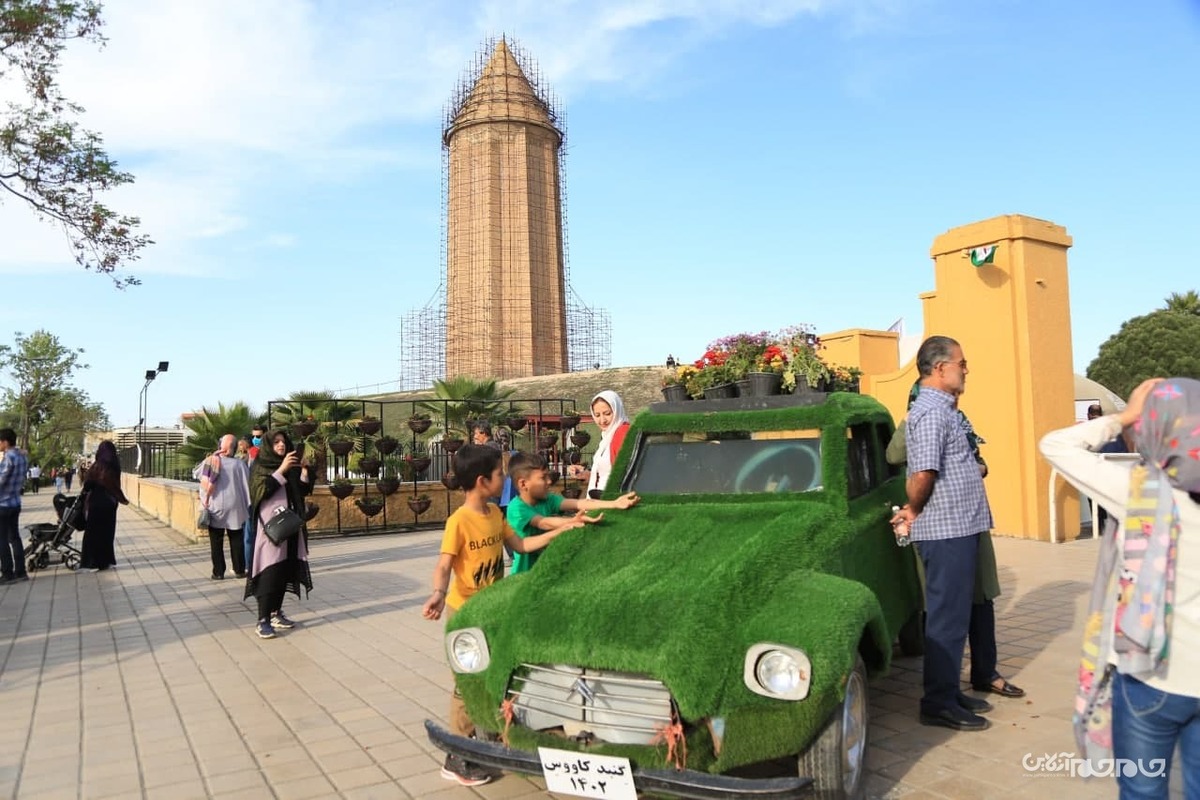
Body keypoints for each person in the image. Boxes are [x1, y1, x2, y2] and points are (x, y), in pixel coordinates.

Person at [1041, 378, 1200, 798]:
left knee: (1142, 790)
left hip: (1151, 675)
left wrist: (1123, 416)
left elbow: (1056, 446)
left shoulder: (1138, 491)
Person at [422, 444, 579, 786]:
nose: (503, 479)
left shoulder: (496, 515)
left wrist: (561, 531)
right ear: (482, 481)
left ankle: (490, 737)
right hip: (465, 613)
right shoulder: (459, 521)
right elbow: (444, 564)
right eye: (498, 474)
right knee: (466, 683)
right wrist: (437, 593)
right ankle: (457, 756)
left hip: (493, 609)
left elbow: (521, 546)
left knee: (496, 672)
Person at [886, 380, 1024, 703]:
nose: (957, 392)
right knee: (946, 611)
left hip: (970, 519)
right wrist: (910, 418)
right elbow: (895, 455)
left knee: (982, 598)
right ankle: (943, 694)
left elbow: (979, 460)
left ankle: (985, 673)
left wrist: (978, 466)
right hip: (941, 523)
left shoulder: (957, 421)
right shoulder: (922, 419)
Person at [891, 336, 994, 732]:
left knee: (953, 617)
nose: (966, 369)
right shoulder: (932, 414)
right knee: (947, 622)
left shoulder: (943, 410)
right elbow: (922, 473)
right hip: (945, 530)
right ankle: (937, 703)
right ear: (939, 369)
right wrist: (913, 510)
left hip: (958, 527)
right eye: (961, 363)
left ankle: (948, 692)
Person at [506, 452, 640, 574]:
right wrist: (572, 522)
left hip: (544, 570)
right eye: (543, 477)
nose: (549, 481)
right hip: (523, 573)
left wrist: (614, 503)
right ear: (523, 484)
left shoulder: (547, 499)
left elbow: (580, 503)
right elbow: (544, 523)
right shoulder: (516, 507)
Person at [245, 429, 312, 640]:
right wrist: (280, 470)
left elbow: (301, 491)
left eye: (283, 442)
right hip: (270, 529)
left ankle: (276, 613)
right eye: (276, 443)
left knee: (285, 570)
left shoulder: (289, 468)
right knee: (270, 571)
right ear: (268, 446)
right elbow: (260, 492)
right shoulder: (260, 466)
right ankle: (262, 619)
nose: (281, 446)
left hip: (290, 527)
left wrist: (303, 472)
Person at [199, 434, 251, 580]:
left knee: (216, 541)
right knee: (236, 538)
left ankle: (218, 572)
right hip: (234, 506)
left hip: (215, 506)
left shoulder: (210, 461)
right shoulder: (239, 464)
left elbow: (198, 476)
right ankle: (239, 569)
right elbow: (246, 485)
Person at [572, 390, 631, 499]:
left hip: (611, 502)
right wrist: (586, 474)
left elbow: (626, 473)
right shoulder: (607, 437)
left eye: (607, 413)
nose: (602, 420)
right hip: (602, 500)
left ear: (617, 410)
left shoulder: (622, 432)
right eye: (597, 415)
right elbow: (606, 475)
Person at [80, 441, 129, 571]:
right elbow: (114, 485)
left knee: (93, 533)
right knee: (107, 533)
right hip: (111, 503)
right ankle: (105, 561)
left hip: (97, 502)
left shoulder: (98, 466)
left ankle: (92, 562)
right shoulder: (115, 465)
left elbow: (88, 484)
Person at [0, 428, 29, 585]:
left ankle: (7, 574)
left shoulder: (8, 458)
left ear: (4, 442)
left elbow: (1, 480)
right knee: (15, 537)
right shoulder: (22, 457)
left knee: (2, 540)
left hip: (2, 504)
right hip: (15, 502)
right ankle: (21, 572)